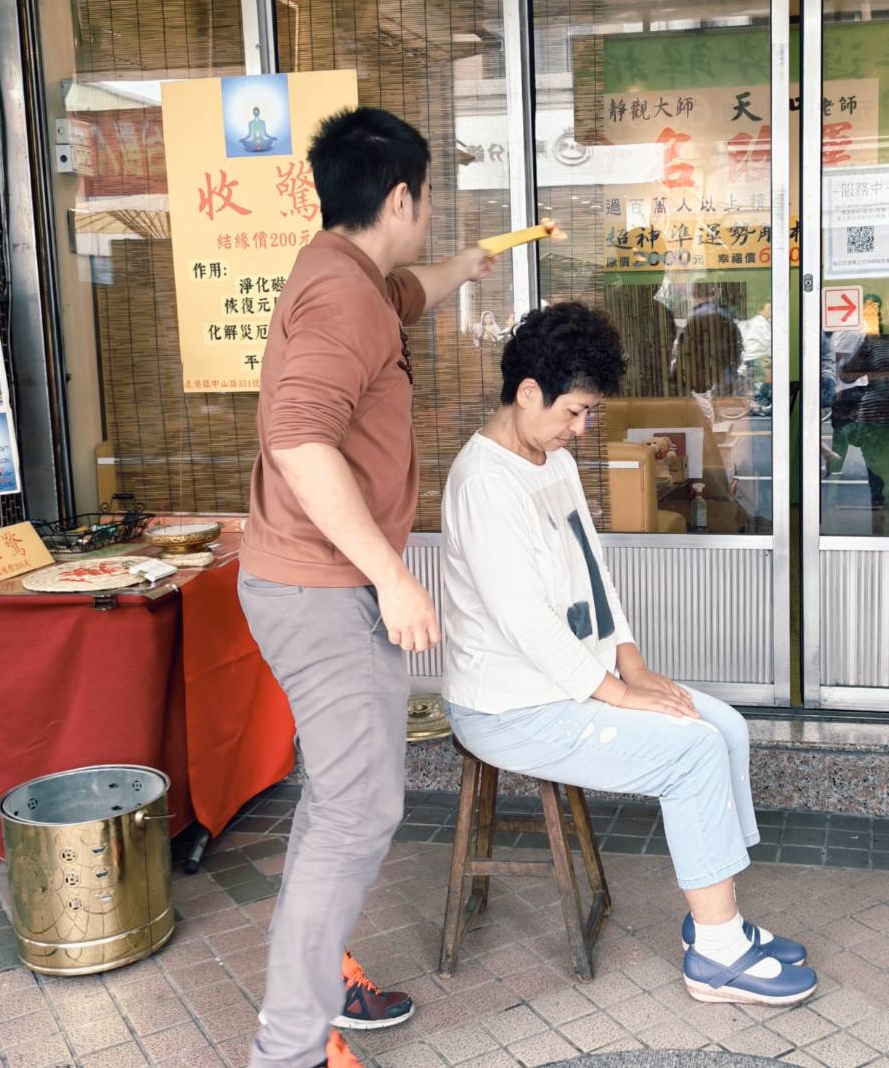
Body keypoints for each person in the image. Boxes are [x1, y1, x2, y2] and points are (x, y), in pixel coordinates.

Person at [439, 303, 818, 1007]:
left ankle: (718, 919)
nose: (581, 429)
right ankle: (716, 953)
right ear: (528, 393)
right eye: (576, 412)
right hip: (509, 704)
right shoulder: (485, 483)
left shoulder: (546, 456)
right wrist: (615, 692)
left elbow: (592, 565)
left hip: (575, 679)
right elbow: (525, 623)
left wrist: (633, 663)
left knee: (724, 726)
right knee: (692, 751)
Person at [238, 107, 495, 1068]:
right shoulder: (347, 299)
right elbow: (300, 438)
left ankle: (314, 987)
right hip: (324, 590)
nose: (427, 217)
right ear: (400, 197)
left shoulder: (345, 274)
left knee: (337, 804)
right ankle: (292, 1048)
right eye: (427, 202)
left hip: (304, 580)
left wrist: (463, 269)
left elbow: (406, 293)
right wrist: (393, 577)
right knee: (359, 810)